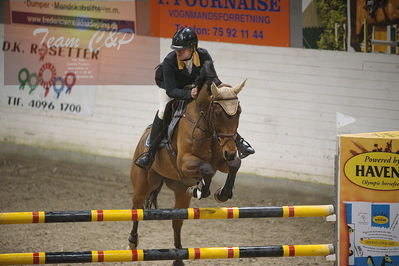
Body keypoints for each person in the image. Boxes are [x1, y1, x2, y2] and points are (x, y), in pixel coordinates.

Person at [135, 27, 255, 170]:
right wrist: (188, 95)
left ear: (193, 48)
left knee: (215, 109)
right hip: (171, 88)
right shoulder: (169, 61)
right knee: (163, 110)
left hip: (194, 87)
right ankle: (150, 153)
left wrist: (223, 90)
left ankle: (239, 142)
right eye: (176, 49)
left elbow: (213, 79)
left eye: (182, 49)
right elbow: (171, 90)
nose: (178, 52)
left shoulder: (204, 55)